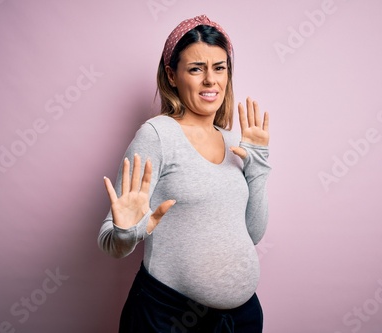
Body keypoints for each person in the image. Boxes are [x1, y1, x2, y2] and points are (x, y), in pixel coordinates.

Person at [98, 14, 271, 333]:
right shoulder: (157, 135)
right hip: (171, 318)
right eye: (196, 68)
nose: (211, 80)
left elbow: (253, 234)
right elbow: (111, 243)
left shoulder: (234, 140)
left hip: (242, 319)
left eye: (219, 68)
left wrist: (259, 163)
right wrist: (126, 231)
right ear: (172, 75)